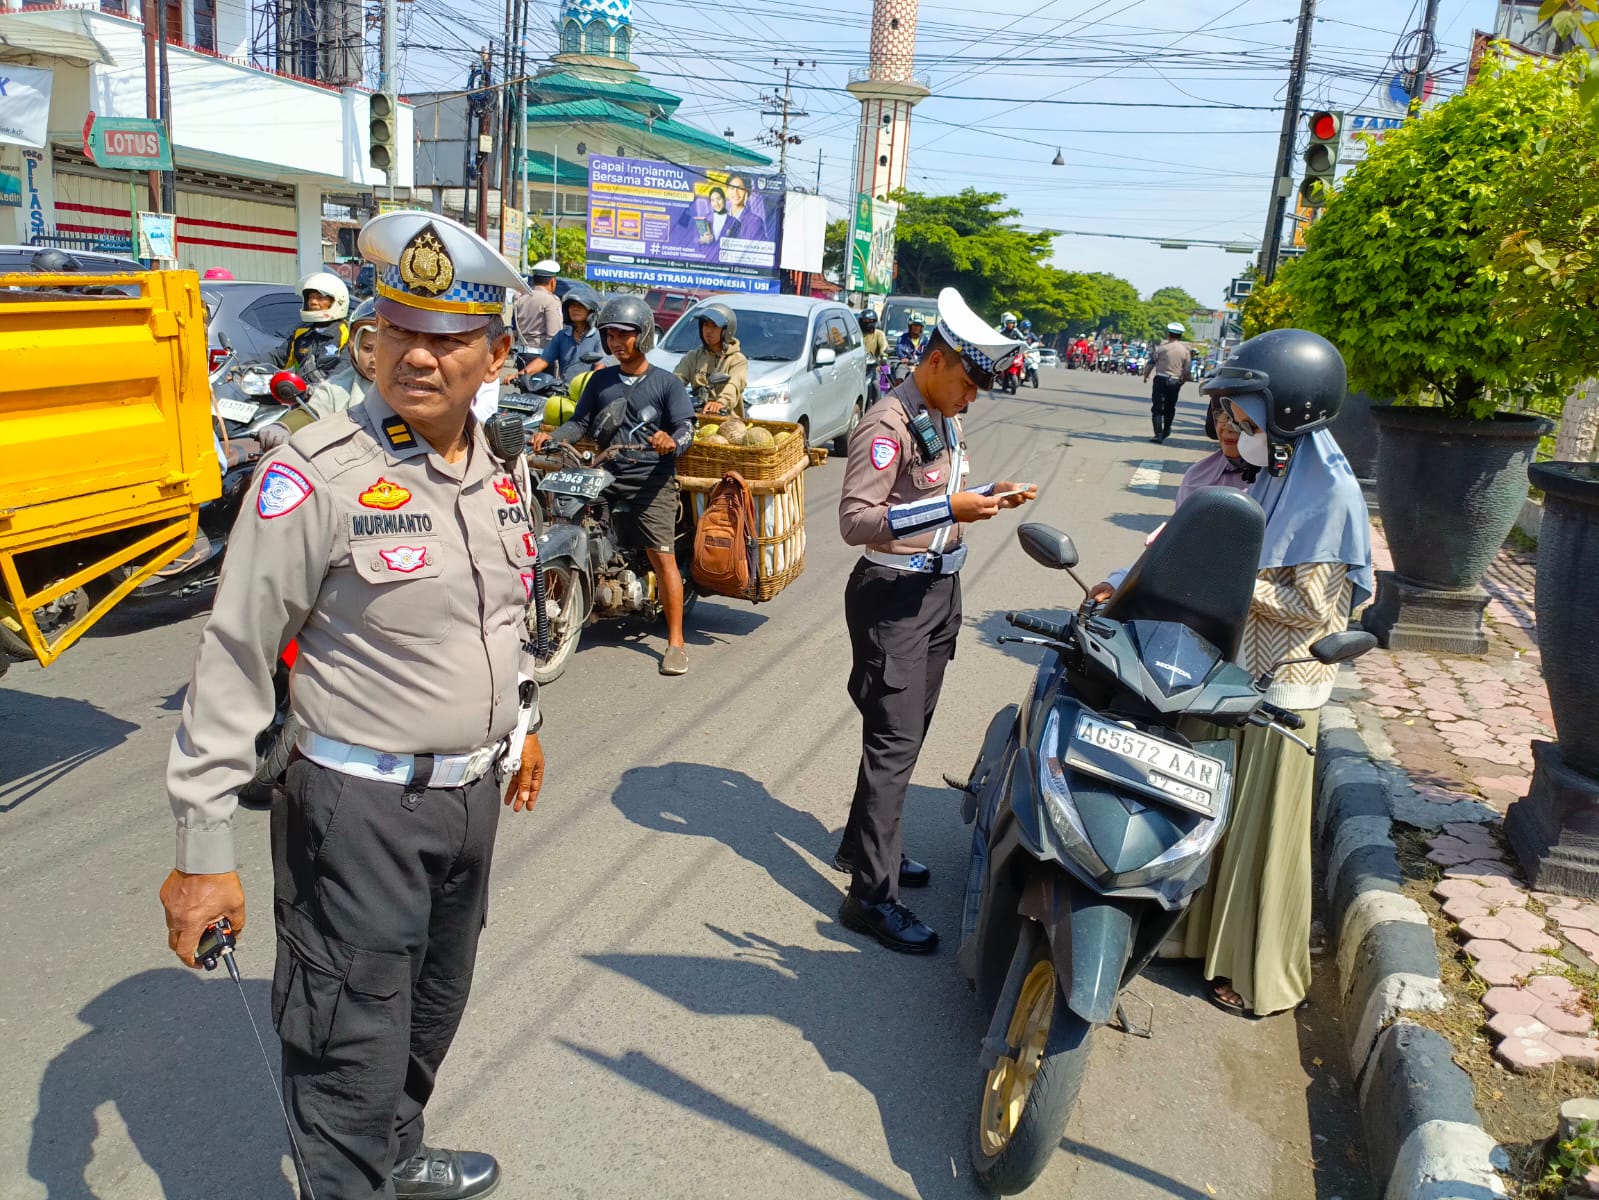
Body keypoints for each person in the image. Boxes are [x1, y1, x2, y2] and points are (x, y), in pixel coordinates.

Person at [159, 211, 547, 1200]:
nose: (418, 356)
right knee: (348, 1046)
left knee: (429, 1010)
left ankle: (398, 1160)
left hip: (468, 805)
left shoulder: (506, 466)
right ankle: (354, 1177)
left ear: (496, 350)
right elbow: (235, 658)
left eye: (448, 336)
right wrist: (203, 853)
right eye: (399, 329)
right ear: (371, 337)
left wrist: (524, 723)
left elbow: (507, 613)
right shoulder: (318, 475)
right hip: (356, 811)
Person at [834, 286, 1037, 953]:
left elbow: (944, 492)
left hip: (935, 596)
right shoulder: (887, 423)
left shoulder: (941, 415)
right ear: (940, 359)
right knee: (892, 747)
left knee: (905, 738)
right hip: (892, 595)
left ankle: (867, 847)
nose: (974, 396)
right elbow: (856, 522)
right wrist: (948, 512)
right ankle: (871, 895)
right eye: (971, 380)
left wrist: (987, 496)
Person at [1179, 328, 1373, 1017]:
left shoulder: (1326, 497)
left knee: (1263, 834)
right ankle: (1198, 940)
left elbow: (1309, 607)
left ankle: (1261, 972)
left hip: (1283, 686)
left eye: (1242, 414)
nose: (1229, 426)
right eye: (1229, 413)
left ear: (1287, 414)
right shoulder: (1272, 478)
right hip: (1232, 670)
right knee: (1213, 807)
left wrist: (1220, 574)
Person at [531, 295, 695, 676]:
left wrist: (671, 441)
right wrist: (554, 436)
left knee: (661, 555)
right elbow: (581, 424)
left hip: (650, 481)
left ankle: (675, 642)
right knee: (567, 517)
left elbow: (686, 428)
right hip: (605, 473)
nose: (616, 342)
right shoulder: (600, 380)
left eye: (624, 334)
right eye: (610, 335)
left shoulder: (666, 384)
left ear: (643, 335)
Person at [257, 298, 380, 449]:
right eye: (367, 348)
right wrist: (284, 426)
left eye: (384, 350)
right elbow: (314, 410)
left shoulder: (411, 385)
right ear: (354, 346)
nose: (375, 358)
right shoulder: (340, 386)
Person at [673, 302, 748, 416]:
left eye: (714, 326)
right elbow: (676, 380)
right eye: (705, 325)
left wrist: (720, 402)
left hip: (727, 421)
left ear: (726, 330)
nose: (708, 330)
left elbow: (734, 384)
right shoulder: (693, 357)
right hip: (697, 416)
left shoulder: (737, 360)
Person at [520, 283, 603, 380]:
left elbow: (600, 367)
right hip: (564, 390)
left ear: (591, 311)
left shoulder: (599, 337)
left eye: (580, 306)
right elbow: (543, 360)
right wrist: (520, 374)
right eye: (572, 306)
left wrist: (589, 384)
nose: (575, 309)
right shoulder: (562, 336)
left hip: (589, 390)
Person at [282, 270, 351, 381]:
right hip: (300, 393)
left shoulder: (347, 332)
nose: (313, 302)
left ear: (338, 301)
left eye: (320, 297)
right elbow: (279, 357)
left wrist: (325, 386)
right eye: (310, 297)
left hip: (332, 393)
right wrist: (249, 365)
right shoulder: (302, 332)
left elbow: (346, 367)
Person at [1144, 321, 1195, 444]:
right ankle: (1167, 430)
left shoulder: (1162, 348)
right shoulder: (1185, 351)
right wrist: (1182, 381)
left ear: (1169, 335)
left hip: (1161, 379)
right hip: (1175, 381)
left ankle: (1158, 434)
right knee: (1170, 407)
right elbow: (1187, 370)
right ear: (1180, 336)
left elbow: (1151, 363)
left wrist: (1146, 375)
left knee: (1157, 407)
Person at [513, 257, 564, 351]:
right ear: (552, 281)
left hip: (521, 352)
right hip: (541, 355)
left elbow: (515, 329)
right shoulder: (551, 300)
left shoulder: (521, 298)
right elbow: (554, 334)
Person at [723, 175, 768, 242]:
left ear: (747, 192)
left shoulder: (755, 222)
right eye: (732, 188)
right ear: (727, 191)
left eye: (740, 188)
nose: (735, 193)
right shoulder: (722, 219)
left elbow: (760, 249)